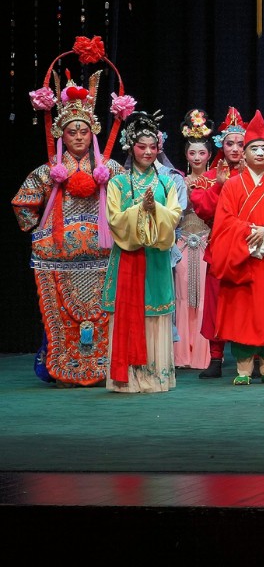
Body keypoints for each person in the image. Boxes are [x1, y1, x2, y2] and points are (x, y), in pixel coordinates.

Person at [13, 65, 125, 387]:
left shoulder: (110, 169)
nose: (77, 137)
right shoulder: (50, 171)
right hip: (56, 257)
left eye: (83, 131)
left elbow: (127, 204)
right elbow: (22, 203)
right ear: (61, 134)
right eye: (72, 132)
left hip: (104, 256)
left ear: (93, 134)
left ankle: (102, 369)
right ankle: (64, 369)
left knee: (103, 315)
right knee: (61, 317)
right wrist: (39, 229)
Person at [207, 111, 264, 386]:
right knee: (242, 313)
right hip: (242, 262)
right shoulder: (232, 186)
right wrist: (249, 234)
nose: (259, 153)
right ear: (244, 155)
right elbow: (224, 223)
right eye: (253, 148)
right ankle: (244, 369)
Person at [102, 111, 181, 393]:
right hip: (128, 257)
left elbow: (174, 216)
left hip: (156, 257)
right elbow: (114, 219)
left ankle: (156, 377)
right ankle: (128, 378)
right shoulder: (118, 183)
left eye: (153, 147)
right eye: (141, 146)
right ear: (130, 147)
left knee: (155, 315)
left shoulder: (167, 182)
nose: (148, 152)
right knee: (128, 312)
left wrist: (154, 208)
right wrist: (140, 209)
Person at [187, 107, 248, 379]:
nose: (235, 148)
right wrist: (220, 185)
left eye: (240, 144)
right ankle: (215, 357)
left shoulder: (257, 176)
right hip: (220, 247)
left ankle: (252, 356)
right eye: (230, 143)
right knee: (216, 301)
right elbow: (202, 210)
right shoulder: (209, 178)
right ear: (221, 145)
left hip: (249, 247)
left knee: (248, 301)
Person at [173, 109, 215, 369]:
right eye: (192, 153)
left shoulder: (215, 180)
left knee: (203, 298)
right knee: (182, 296)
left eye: (201, 153)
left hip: (206, 243)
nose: (197, 157)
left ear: (209, 155)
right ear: (186, 155)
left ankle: (203, 355)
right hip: (182, 244)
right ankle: (182, 354)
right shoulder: (178, 180)